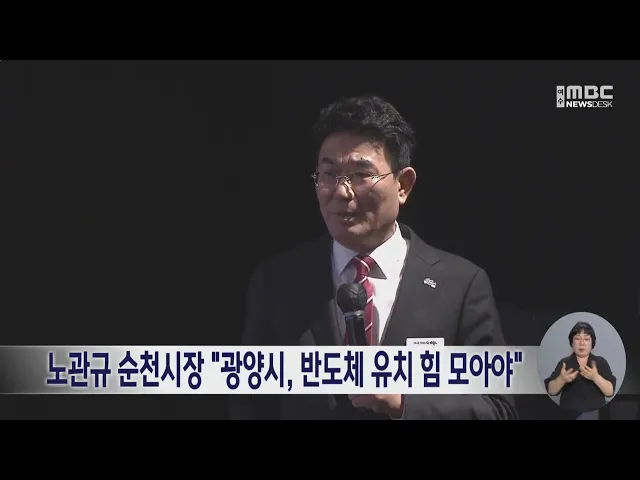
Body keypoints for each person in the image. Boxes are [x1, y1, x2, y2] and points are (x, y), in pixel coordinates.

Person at [229, 94, 517, 420]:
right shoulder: (278, 282)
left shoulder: (460, 285)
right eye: (329, 174)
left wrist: (402, 403)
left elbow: (498, 409)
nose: (341, 192)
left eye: (360, 175)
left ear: (403, 185)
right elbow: (250, 405)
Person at [544, 321, 617, 414]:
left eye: (586, 339)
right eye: (577, 339)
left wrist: (595, 377)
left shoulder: (600, 362)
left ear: (592, 343)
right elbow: (551, 391)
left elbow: (610, 392)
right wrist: (561, 379)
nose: (582, 343)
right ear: (572, 342)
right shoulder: (564, 363)